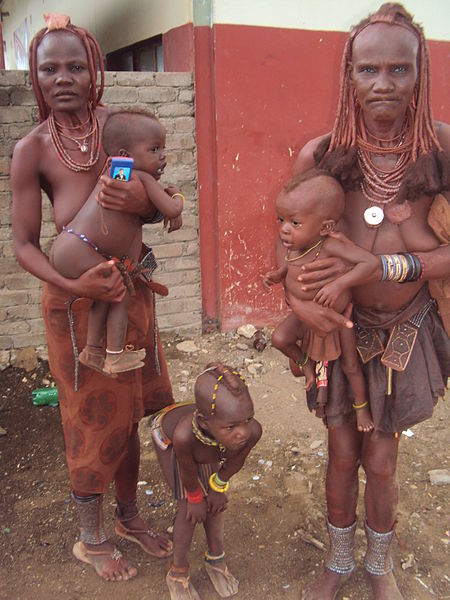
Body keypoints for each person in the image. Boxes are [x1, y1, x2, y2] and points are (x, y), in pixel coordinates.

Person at [287, 4, 450, 599]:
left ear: (421, 74)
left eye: (399, 70)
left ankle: (379, 567)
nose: (383, 84)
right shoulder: (322, 156)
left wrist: (385, 265)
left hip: (409, 330)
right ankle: (337, 560)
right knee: (340, 453)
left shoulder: (442, 153)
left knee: (381, 461)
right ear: (349, 76)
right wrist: (299, 303)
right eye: (368, 70)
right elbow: (288, 245)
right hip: (341, 329)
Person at [11, 14, 178, 582]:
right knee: (88, 418)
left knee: (130, 411)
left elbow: (158, 200)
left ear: (95, 71)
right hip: (75, 303)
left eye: (75, 66)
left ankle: (129, 515)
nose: (63, 78)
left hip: (130, 292)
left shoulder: (122, 129)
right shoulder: (32, 150)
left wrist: (148, 203)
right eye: (49, 68)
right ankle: (91, 538)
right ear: (34, 77)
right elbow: (24, 246)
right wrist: (77, 285)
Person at [50, 109, 184, 376]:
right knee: (119, 290)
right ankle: (114, 356)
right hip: (80, 248)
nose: (163, 157)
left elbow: (138, 210)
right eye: (155, 149)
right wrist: (178, 196)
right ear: (125, 155)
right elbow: (171, 209)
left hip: (71, 248)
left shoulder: (119, 173)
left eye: (163, 149)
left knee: (106, 294)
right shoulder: (139, 177)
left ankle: (93, 352)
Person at [264, 168, 378, 432]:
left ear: (325, 226)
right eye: (281, 219)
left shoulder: (329, 245)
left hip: (336, 319)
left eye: (295, 223)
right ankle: (306, 365)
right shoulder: (297, 246)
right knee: (279, 339)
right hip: (304, 314)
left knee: (350, 366)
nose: (284, 229)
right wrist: (278, 274)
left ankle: (361, 408)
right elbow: (291, 266)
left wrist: (340, 284)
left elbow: (369, 262)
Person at [151, 363, 262, 600]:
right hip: (171, 441)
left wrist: (218, 487)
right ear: (203, 422)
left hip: (212, 442)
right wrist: (194, 497)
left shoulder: (250, 431)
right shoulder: (185, 437)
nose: (243, 432)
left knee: (215, 504)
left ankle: (215, 559)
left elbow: (234, 462)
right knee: (189, 511)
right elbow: (188, 472)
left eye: (248, 419)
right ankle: (177, 571)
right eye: (233, 426)